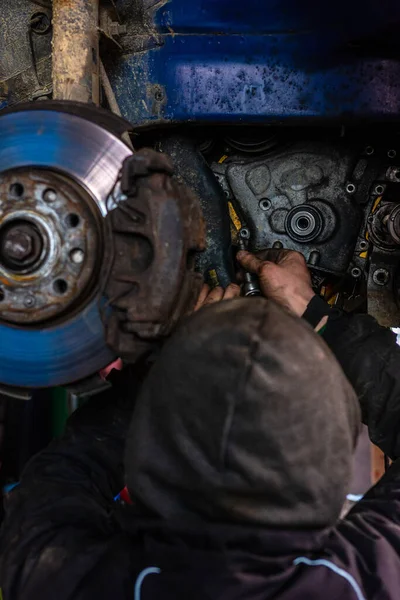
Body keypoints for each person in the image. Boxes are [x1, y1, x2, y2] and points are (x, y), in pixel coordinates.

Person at [1, 249, 400, 600]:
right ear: (333, 457)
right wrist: (317, 317)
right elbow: (59, 485)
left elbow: (61, 479)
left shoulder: (60, 575)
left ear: (147, 453)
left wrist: (166, 372)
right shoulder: (370, 581)